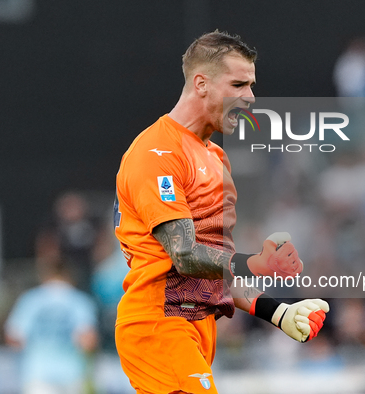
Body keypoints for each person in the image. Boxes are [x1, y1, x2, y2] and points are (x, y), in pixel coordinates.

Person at [114, 31, 329, 394]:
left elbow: (217, 266)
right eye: (239, 84)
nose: (250, 97)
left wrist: (276, 311)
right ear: (201, 84)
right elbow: (185, 255)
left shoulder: (216, 158)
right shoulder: (157, 152)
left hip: (195, 327)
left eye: (252, 85)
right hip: (159, 324)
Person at [5, 260, 98, 394]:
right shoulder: (79, 300)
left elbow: (14, 337)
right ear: (69, 276)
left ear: (45, 276)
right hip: (72, 373)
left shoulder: (31, 299)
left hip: (37, 372)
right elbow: (88, 341)